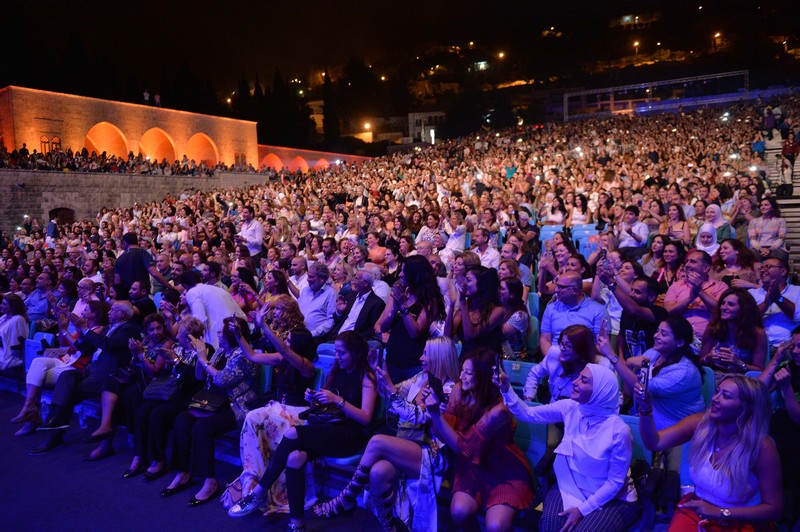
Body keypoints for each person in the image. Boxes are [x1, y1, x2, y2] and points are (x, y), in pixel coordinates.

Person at [227, 331, 378, 532]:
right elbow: (328, 405)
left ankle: (259, 491)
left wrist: (337, 401)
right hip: (329, 428)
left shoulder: (366, 376)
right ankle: (297, 524)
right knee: (294, 458)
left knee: (293, 433)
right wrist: (315, 400)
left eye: (342, 353)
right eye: (336, 352)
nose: (338, 357)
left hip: (350, 435)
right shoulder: (338, 370)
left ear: (356, 353)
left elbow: (365, 418)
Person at [312, 337, 460, 531]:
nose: (421, 358)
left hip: (432, 453)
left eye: (426, 354)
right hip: (409, 447)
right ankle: (390, 527)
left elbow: (418, 416)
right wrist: (378, 371)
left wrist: (391, 390)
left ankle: (344, 498)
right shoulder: (421, 378)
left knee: (376, 441)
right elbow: (389, 392)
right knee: (377, 473)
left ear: (439, 358)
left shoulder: (449, 389)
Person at [496, 363, 640, 532]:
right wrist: (507, 389)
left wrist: (582, 510)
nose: (575, 382)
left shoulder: (619, 431)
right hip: (570, 484)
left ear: (600, 391)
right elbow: (528, 413)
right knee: (549, 526)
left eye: (584, 380)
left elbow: (614, 483)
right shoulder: (571, 407)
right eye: (578, 376)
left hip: (613, 499)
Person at [638, 375, 783, 531]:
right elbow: (655, 442)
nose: (715, 398)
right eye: (717, 392)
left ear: (746, 408)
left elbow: (774, 509)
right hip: (698, 508)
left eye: (726, 396)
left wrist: (722, 513)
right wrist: (645, 409)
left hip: (741, 518)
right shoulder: (700, 423)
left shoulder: (762, 447)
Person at [423, 348, 534, 531]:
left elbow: (462, 447)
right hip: (471, 467)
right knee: (459, 512)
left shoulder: (499, 411)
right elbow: (446, 434)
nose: (462, 376)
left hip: (502, 471)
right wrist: (435, 413)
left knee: (496, 526)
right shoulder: (460, 390)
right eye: (462, 370)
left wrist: (436, 415)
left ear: (483, 377)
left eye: (468, 373)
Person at [225, 299, 317, 514]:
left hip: (297, 414)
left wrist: (263, 325)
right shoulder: (282, 358)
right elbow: (253, 355)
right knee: (252, 417)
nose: (286, 341)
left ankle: (267, 488)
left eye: (290, 340)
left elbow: (285, 351)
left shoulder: (306, 366)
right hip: (279, 409)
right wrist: (239, 336)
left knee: (262, 419)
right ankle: (252, 481)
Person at [162, 316, 259, 506]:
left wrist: (204, 360)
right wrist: (200, 356)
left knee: (201, 428)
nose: (218, 335)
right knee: (182, 420)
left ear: (232, 336)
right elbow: (200, 376)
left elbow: (221, 380)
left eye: (221, 332)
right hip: (212, 403)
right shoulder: (221, 352)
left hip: (235, 407)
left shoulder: (243, 356)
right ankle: (183, 472)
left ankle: (210, 481)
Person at [31, 301, 142, 455]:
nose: (109, 312)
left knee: (68, 393)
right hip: (91, 369)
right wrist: (75, 327)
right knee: (66, 375)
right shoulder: (110, 328)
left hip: (105, 373)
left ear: (122, 314)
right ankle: (54, 421)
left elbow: (107, 345)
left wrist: (84, 327)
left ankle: (54, 430)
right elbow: (85, 348)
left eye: (113, 310)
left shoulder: (130, 329)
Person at [599, 316, 705, 472]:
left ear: (680, 342)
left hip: (673, 431)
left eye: (664, 333)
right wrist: (629, 364)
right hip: (644, 418)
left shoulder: (684, 372)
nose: (656, 336)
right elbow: (630, 391)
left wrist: (613, 356)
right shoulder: (653, 354)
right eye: (657, 331)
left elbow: (642, 389)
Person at [85, 313, 175, 461]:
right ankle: (105, 430)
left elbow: (155, 371)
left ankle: (125, 438)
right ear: (146, 331)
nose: (156, 332)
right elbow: (132, 366)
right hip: (136, 378)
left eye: (159, 328)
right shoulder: (145, 341)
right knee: (110, 383)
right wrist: (133, 354)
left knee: (128, 396)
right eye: (152, 329)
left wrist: (140, 354)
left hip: (152, 383)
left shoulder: (167, 344)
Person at [377, 255, 445, 382]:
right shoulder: (400, 293)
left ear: (415, 274)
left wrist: (403, 306)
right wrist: (394, 309)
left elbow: (415, 332)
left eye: (404, 271)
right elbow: (383, 327)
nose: (401, 274)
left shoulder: (430, 299)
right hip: (393, 358)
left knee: (410, 401)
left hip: (414, 363)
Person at [699, 289, 767, 374]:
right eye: (723, 303)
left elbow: (759, 370)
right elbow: (700, 362)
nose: (723, 307)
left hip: (741, 379)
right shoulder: (712, 328)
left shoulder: (757, 333)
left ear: (743, 309)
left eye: (730, 304)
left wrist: (739, 364)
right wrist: (708, 358)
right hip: (715, 374)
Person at [664, 250, 728, 338]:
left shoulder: (720, 286)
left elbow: (721, 310)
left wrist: (700, 291)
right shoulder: (676, 286)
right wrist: (689, 299)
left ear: (705, 268)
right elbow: (668, 311)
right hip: (680, 337)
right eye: (687, 261)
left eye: (692, 262)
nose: (687, 265)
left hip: (709, 338)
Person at [181, 270, 246, 348]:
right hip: (238, 332)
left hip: (218, 336)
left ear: (185, 286)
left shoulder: (192, 292)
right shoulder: (218, 289)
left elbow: (199, 320)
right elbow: (242, 315)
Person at [453, 266, 504, 357]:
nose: (464, 284)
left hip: (485, 364)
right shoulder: (466, 309)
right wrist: (451, 304)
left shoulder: (497, 311)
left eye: (468, 280)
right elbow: (447, 335)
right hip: (465, 362)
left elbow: (470, 336)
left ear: (481, 284)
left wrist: (463, 302)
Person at [748, 196, 788, 261]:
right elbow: (752, 239)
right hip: (758, 247)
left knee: (779, 255)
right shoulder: (754, 221)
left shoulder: (780, 221)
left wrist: (770, 249)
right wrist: (760, 249)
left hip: (775, 248)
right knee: (752, 254)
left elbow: (781, 238)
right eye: (761, 205)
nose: (763, 207)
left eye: (766, 205)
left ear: (772, 207)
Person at [499, 278, 530, 360]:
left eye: (502, 289)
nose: (498, 291)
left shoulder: (520, 315)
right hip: (500, 355)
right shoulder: (499, 308)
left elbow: (499, 333)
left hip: (514, 360)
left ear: (512, 294)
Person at [0, 293, 28, 370]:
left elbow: (17, 344)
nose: (0, 306)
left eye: (4, 304)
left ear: (12, 307)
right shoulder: (4, 317)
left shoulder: (18, 319)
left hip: (10, 355)